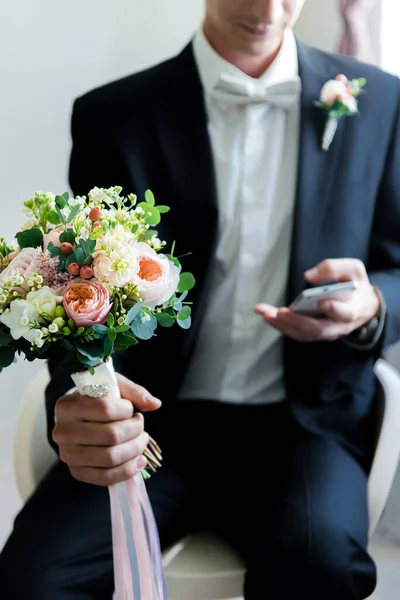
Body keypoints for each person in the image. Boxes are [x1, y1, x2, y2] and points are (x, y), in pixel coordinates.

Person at [1, 0, 400, 598]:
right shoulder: (113, 114)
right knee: (32, 579)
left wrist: (371, 305)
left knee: (324, 571)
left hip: (304, 425)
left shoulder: (382, 103)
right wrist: (80, 397)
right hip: (157, 422)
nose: (269, 8)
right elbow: (78, 292)